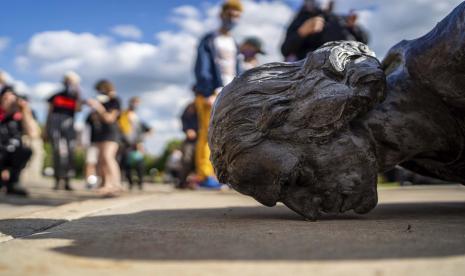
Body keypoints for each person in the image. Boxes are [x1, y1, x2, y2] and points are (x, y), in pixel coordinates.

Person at [194, 0, 243, 189]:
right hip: (211, 93)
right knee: (207, 134)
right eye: (230, 15)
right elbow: (202, 67)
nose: (233, 19)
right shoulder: (209, 39)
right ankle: (205, 175)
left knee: (230, 136)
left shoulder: (233, 42)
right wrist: (207, 91)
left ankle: (226, 175)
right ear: (221, 15)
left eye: (237, 16)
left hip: (230, 92)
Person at [281, 0, 368, 61]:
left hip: (344, 68)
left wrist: (353, 27)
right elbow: (285, 49)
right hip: (306, 70)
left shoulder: (339, 19)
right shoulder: (300, 20)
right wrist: (302, 32)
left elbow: (364, 41)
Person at [86, 80, 123, 196]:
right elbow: (93, 120)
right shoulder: (102, 101)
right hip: (100, 134)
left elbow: (109, 118)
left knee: (108, 157)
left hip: (111, 133)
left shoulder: (115, 100)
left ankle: (116, 184)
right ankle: (106, 184)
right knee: (101, 160)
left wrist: (98, 107)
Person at [46, 72, 81, 191]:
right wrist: (47, 129)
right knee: (57, 152)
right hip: (55, 124)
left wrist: (77, 93)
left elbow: (79, 109)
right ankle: (57, 180)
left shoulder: (75, 96)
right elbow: (49, 112)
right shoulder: (56, 96)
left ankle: (67, 180)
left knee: (70, 152)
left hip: (69, 125)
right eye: (68, 81)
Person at [0, 86, 38, 196]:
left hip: (12, 151)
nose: (10, 102)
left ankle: (13, 183)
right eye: (6, 98)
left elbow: (33, 133)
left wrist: (25, 110)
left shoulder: (20, 115)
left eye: (12, 99)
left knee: (25, 150)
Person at [118, 96, 151, 190]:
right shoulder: (124, 114)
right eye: (135, 103)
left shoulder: (137, 117)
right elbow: (121, 129)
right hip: (126, 144)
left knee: (139, 164)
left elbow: (147, 129)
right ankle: (130, 183)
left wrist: (142, 140)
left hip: (137, 144)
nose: (136, 105)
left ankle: (140, 183)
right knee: (126, 165)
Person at [179, 101, 198, 189]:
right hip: (191, 141)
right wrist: (187, 130)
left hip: (204, 140)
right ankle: (183, 182)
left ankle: (196, 181)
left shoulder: (206, 108)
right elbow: (183, 118)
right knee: (187, 159)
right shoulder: (190, 108)